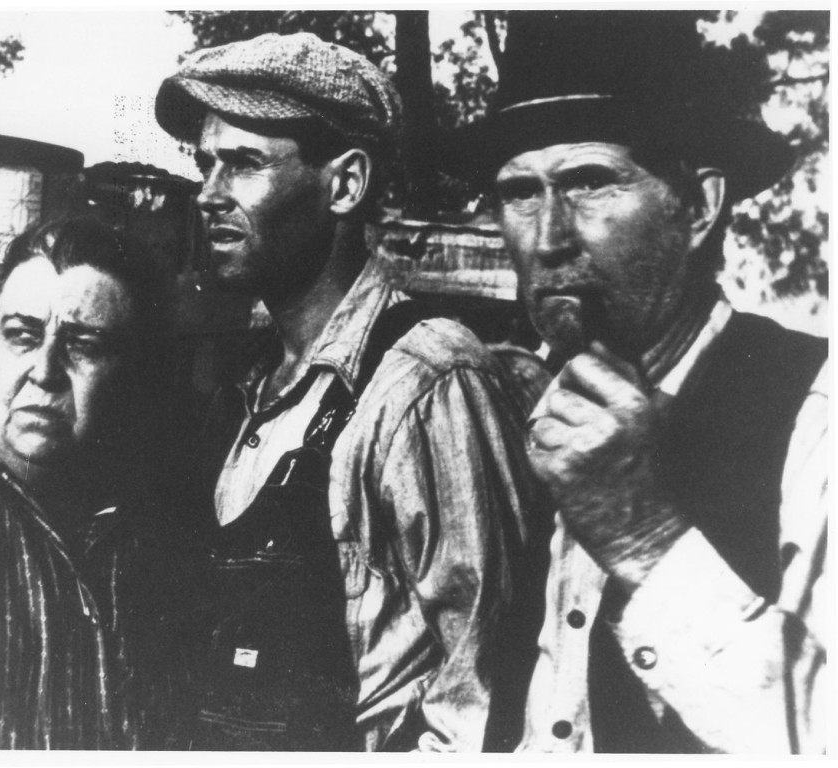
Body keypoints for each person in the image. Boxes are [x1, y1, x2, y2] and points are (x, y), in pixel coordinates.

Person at [153, 32, 547, 751]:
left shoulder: (427, 381)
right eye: (205, 164)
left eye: (243, 164)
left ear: (345, 185)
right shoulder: (249, 386)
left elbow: (481, 700)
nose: (208, 195)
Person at [449, 11, 829, 754]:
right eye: (519, 193)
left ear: (698, 207)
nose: (548, 238)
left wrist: (643, 536)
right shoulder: (532, 407)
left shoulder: (814, 411)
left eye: (589, 182)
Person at [0, 215, 174, 749]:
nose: (44, 371)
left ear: (133, 373)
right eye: (22, 336)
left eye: (83, 346)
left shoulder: (156, 528)